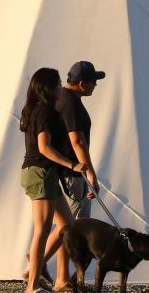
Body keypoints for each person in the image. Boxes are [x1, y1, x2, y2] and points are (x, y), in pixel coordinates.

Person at [21, 67, 89, 293]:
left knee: (66, 225)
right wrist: (72, 165)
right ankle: (32, 287)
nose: (61, 88)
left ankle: (34, 269)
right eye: (58, 84)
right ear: (49, 88)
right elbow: (44, 147)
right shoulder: (45, 112)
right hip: (40, 173)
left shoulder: (36, 109)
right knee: (42, 229)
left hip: (45, 174)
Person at [56, 60, 105, 219]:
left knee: (79, 228)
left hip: (75, 173)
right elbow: (77, 141)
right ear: (82, 84)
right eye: (94, 82)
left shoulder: (67, 98)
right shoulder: (70, 103)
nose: (95, 85)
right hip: (73, 174)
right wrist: (91, 174)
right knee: (72, 227)